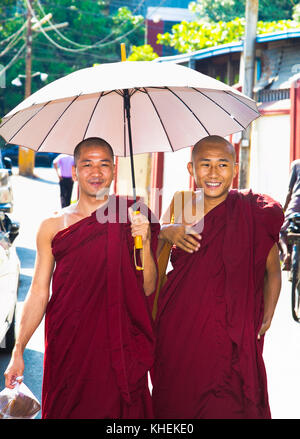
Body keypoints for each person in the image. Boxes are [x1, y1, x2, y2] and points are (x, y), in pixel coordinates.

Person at [4, 137, 159, 419]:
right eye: (87, 164)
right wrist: (18, 349)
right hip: (70, 344)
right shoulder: (52, 226)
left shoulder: (135, 217)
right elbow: (39, 292)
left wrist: (145, 242)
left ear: (114, 170)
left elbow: (148, 287)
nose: (96, 172)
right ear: (74, 171)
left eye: (104, 164)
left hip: (120, 346)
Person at [152, 135, 284, 419]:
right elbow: (154, 263)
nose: (214, 173)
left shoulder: (253, 210)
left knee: (229, 405)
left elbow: (273, 269)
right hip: (180, 328)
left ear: (235, 169)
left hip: (232, 332)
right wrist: (164, 232)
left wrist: (268, 314)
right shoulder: (181, 203)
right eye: (205, 164)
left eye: (222, 164)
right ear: (191, 169)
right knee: (178, 401)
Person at [279, 159, 300, 270]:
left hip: (297, 203)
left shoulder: (296, 164)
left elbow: (289, 191)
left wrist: (285, 210)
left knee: (281, 231)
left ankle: (286, 254)